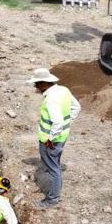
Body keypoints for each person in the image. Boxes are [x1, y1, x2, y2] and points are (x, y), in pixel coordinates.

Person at [27, 68, 81, 208]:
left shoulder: (51, 99)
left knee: (53, 168)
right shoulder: (63, 90)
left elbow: (57, 122)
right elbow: (76, 107)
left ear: (45, 83)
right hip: (61, 137)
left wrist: (51, 138)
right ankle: (54, 193)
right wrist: (67, 123)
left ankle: (52, 199)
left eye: (37, 83)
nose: (36, 87)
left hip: (50, 141)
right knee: (55, 165)